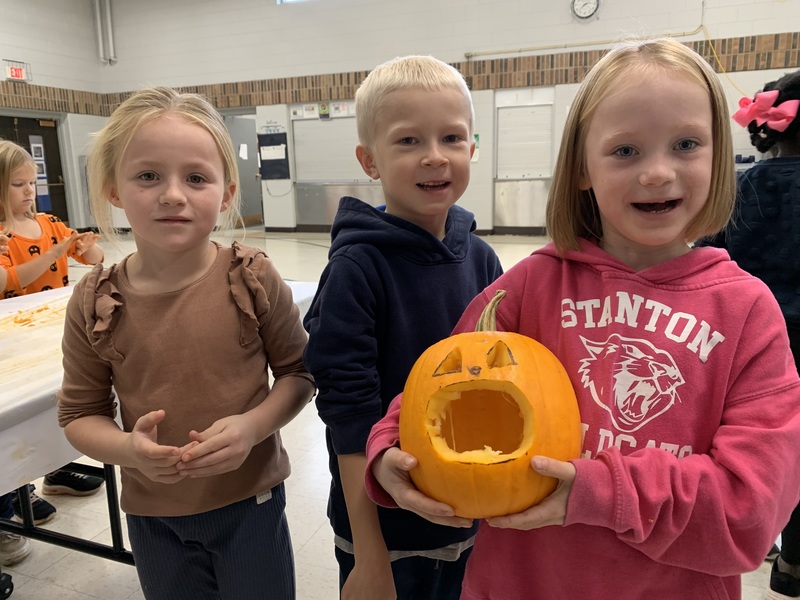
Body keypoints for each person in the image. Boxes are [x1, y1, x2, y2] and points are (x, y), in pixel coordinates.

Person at [365, 38, 800, 600]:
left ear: (719, 158)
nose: (657, 173)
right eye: (626, 151)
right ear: (581, 170)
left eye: (686, 144)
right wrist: (387, 452)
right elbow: (440, 387)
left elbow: (752, 513)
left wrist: (599, 492)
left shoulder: (747, 313)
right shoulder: (530, 286)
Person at [56, 86, 315, 600]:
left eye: (195, 178)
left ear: (225, 192)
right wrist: (128, 449)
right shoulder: (94, 299)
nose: (173, 194)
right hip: (154, 517)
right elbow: (79, 415)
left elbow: (299, 375)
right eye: (148, 176)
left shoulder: (252, 277)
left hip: (251, 505)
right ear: (113, 189)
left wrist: (251, 427)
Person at [303, 55, 503, 599]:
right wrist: (369, 558)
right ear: (370, 160)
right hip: (388, 536)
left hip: (469, 513)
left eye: (452, 138)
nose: (435, 157)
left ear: (472, 147)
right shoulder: (356, 270)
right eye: (409, 141)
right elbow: (348, 420)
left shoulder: (482, 260)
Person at [697, 69, 800, 600]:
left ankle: (760, 533)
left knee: (752, 447)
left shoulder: (746, 185)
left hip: (751, 347)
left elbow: (706, 261)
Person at [0, 139, 105, 538]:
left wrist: (86, 248)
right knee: (16, 414)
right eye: (17, 184)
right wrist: (53, 253)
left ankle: (54, 468)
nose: (29, 191)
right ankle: (14, 492)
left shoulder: (49, 224)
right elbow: (13, 279)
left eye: (32, 182)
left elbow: (92, 260)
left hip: (51, 332)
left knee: (59, 398)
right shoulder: (3, 235)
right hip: (11, 344)